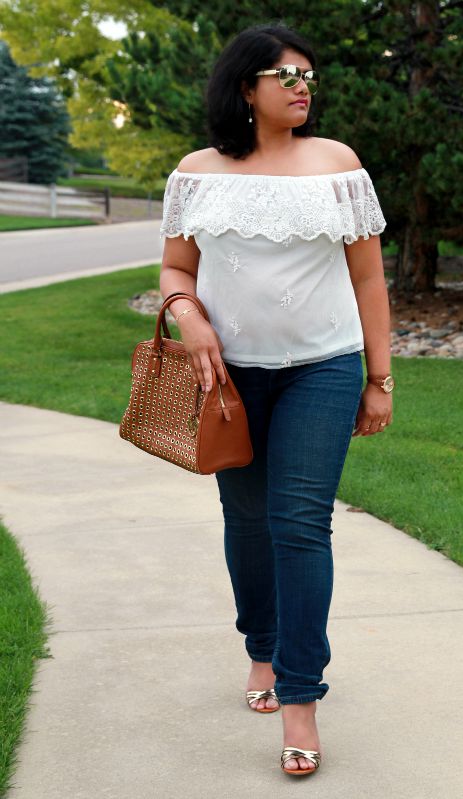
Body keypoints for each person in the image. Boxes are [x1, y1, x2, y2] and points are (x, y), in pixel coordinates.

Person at [158, 22, 393, 777]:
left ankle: (300, 697)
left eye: (308, 77)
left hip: (321, 369)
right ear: (245, 86)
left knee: (299, 525)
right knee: (247, 521)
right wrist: (187, 316)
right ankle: (260, 647)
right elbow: (174, 273)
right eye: (285, 75)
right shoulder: (197, 172)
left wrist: (379, 377)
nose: (301, 87)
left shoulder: (338, 165)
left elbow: (367, 280)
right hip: (228, 377)